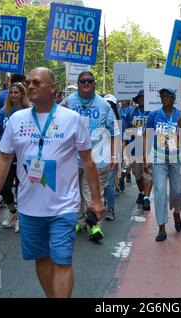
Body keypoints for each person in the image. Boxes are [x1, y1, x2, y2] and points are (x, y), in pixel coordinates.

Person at [0, 67, 103, 298]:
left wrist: (97, 200)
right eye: (28, 82)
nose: (30, 86)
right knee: (42, 258)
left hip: (64, 206)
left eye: (37, 83)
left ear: (52, 88)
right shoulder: (16, 120)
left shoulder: (72, 119)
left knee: (62, 261)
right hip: (29, 207)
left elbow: (88, 161)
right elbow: (4, 157)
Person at [62, 71, 118, 242]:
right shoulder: (68, 102)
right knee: (76, 193)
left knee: (94, 193)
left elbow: (115, 132)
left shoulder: (104, 105)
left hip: (97, 159)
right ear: (77, 83)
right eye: (82, 81)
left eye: (89, 81)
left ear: (94, 83)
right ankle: (81, 221)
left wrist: (114, 156)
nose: (86, 83)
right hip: (72, 158)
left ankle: (96, 226)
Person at [144, 88, 181, 242]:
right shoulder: (153, 115)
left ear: (174, 98)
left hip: (176, 158)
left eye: (167, 95)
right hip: (159, 158)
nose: (164, 98)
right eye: (162, 95)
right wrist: (146, 158)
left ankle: (176, 212)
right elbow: (147, 136)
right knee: (160, 191)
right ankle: (161, 227)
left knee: (178, 191)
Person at [0, 83, 32, 232]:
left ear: (22, 94)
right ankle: (13, 212)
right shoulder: (3, 111)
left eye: (16, 92)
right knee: (4, 187)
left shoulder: (28, 112)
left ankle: (22, 218)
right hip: (7, 157)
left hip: (23, 156)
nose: (13, 95)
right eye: (11, 92)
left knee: (22, 189)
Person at [124, 89, 152, 211]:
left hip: (150, 148)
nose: (143, 99)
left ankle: (146, 198)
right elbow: (126, 129)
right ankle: (141, 192)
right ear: (138, 99)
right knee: (137, 174)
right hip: (135, 148)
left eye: (145, 97)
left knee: (148, 173)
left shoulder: (153, 113)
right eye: (141, 97)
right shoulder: (131, 113)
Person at [103, 94, 123, 221]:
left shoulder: (118, 121)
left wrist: (115, 156)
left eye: (110, 104)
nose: (107, 106)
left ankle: (110, 209)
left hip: (111, 155)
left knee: (108, 184)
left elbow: (119, 139)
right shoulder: (97, 117)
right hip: (95, 156)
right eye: (106, 103)